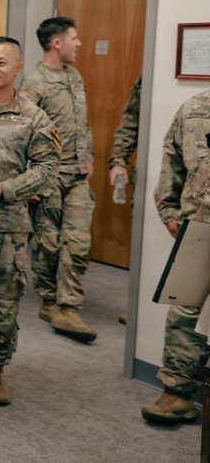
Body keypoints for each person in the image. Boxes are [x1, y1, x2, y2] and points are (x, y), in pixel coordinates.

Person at [0, 37, 59, 405]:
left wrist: (3, 189)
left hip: (7, 224)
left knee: (4, 297)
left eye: (1, 63)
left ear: (18, 68)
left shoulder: (34, 117)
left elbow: (47, 170)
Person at [19, 16, 98, 342]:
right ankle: (49, 300)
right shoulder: (34, 83)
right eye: (74, 38)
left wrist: (89, 155)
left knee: (78, 242)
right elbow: (21, 133)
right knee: (48, 245)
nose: (78, 44)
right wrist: (28, 181)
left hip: (78, 175)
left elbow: (82, 122)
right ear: (57, 43)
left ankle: (69, 306)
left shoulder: (75, 76)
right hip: (50, 177)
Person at [142, 89, 210, 424]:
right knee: (185, 311)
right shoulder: (194, 108)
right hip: (200, 229)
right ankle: (177, 394)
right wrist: (169, 210)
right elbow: (171, 160)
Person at [110, 75, 141, 325]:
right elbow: (131, 121)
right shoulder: (148, 78)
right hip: (156, 179)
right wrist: (119, 161)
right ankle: (141, 306)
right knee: (145, 246)